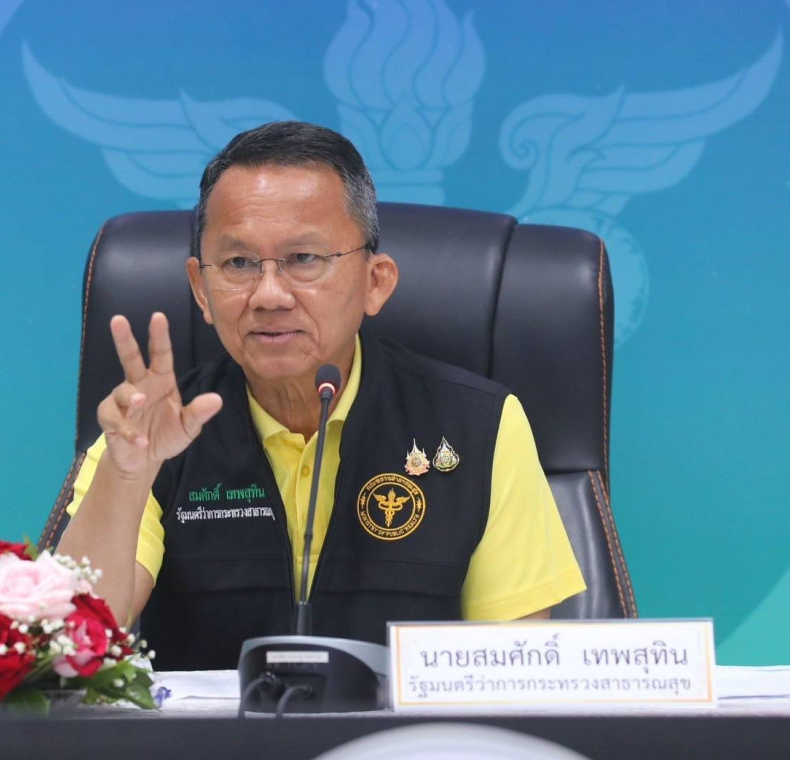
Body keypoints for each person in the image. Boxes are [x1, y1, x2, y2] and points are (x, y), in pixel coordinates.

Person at [58, 121, 585, 670]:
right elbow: (72, 642)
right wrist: (127, 475)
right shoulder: (150, 432)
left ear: (375, 281)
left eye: (304, 259)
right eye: (238, 264)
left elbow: (513, 674)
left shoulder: (479, 425)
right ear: (201, 290)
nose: (269, 295)